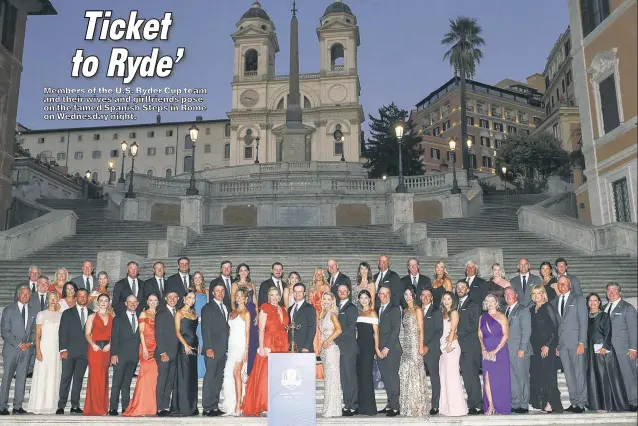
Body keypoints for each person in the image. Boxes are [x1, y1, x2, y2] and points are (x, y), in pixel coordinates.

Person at [242, 287, 289, 416]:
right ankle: (264, 404)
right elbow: (261, 330)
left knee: (279, 375)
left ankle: (277, 403)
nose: (274, 297)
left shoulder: (284, 309)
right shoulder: (264, 308)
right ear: (269, 297)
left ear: (280, 297)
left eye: (276, 295)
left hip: (282, 344)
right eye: (272, 295)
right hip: (269, 343)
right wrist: (261, 347)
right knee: (266, 374)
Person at [585, 292, 628, 412]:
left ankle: (605, 405)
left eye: (595, 300)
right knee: (593, 377)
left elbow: (609, 332)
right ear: (587, 303)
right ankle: (595, 404)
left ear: (599, 302)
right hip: (590, 351)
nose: (593, 303)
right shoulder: (585, 316)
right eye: (590, 301)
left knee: (603, 377)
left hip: (602, 350)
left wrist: (605, 347)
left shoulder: (604, 315)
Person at [553, 275, 588, 413]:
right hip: (562, 345)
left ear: (570, 285)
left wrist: (581, 342)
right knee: (568, 374)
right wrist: (557, 345)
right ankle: (574, 402)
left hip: (576, 342)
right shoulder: (555, 301)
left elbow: (583, 322)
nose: (562, 286)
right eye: (559, 284)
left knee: (579, 373)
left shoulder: (578, 299)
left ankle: (581, 403)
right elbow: (557, 325)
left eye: (564, 283)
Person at [123, 293, 160, 417]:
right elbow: (141, 332)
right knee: (144, 377)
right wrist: (144, 348)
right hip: (146, 348)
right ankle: (140, 407)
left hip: (157, 349)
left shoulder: (159, 314)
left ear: (158, 302)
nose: (153, 302)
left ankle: (150, 408)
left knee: (153, 379)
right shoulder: (144, 313)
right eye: (151, 300)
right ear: (147, 302)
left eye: (155, 300)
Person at [0, 286, 35, 415]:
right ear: (18, 295)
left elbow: (34, 331)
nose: (25, 296)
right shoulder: (9, 310)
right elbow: (4, 331)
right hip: (11, 349)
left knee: (21, 379)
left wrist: (30, 343)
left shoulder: (32, 311)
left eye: (27, 294)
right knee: (7, 378)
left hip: (26, 350)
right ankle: (2, 406)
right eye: (23, 293)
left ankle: (17, 406)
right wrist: (19, 343)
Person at [27, 291, 62, 414]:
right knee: (42, 375)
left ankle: (51, 405)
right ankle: (39, 404)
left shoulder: (61, 315)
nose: (52, 300)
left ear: (57, 299)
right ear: (47, 300)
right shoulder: (41, 314)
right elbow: (37, 334)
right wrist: (38, 351)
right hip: (44, 347)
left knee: (54, 375)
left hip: (56, 349)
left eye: (54, 298)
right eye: (50, 298)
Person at [603, 282, 637, 411]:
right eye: (609, 291)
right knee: (612, 377)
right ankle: (618, 401)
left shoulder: (628, 308)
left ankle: (633, 401)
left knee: (628, 375)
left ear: (620, 293)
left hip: (624, 349)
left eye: (614, 290)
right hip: (608, 350)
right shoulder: (605, 307)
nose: (611, 293)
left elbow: (633, 329)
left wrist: (633, 348)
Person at [57, 288, 92, 414]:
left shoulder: (92, 313)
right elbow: (62, 332)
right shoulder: (67, 313)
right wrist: (63, 349)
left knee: (78, 379)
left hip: (84, 353)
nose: (82, 298)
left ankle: (75, 405)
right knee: (66, 378)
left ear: (87, 298)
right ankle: (61, 405)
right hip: (69, 352)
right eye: (80, 296)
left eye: (85, 296)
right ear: (76, 298)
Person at [529, 285, 562, 413]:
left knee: (549, 376)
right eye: (535, 293)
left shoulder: (548, 307)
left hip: (547, 347)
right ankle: (542, 403)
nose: (537, 296)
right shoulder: (532, 309)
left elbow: (555, 328)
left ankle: (552, 403)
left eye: (539, 293)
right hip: (535, 348)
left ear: (544, 294)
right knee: (539, 376)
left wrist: (548, 345)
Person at [398, 286, 429, 416]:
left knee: (415, 374)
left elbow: (421, 330)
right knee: (406, 373)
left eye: (410, 294)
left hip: (415, 344)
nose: (408, 297)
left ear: (414, 296)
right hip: (406, 345)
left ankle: (417, 407)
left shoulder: (417, 310)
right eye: (406, 294)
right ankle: (408, 406)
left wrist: (420, 347)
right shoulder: (405, 310)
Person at [478, 294, 511, 415]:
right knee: (487, 378)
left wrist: (495, 351)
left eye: (492, 301)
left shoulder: (502, 316)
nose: (490, 303)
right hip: (486, 351)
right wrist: (483, 349)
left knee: (499, 380)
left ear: (496, 303)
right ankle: (490, 406)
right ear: (485, 303)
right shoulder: (482, 317)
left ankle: (500, 406)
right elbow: (480, 334)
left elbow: (506, 335)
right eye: (488, 301)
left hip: (500, 351)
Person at [201, 283, 230, 417]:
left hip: (223, 350)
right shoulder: (207, 308)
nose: (220, 293)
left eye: (222, 290)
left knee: (218, 379)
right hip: (212, 350)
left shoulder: (225, 307)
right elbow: (205, 329)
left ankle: (214, 405)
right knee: (210, 378)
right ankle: (207, 407)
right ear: (213, 293)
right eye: (217, 291)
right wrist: (208, 347)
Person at [109, 295, 140, 415]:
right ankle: (113, 407)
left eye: (134, 302)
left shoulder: (140, 317)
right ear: (126, 304)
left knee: (126, 383)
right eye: (130, 302)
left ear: (137, 304)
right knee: (117, 382)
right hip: (120, 355)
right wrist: (113, 354)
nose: (132, 304)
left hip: (134, 356)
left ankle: (126, 407)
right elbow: (114, 338)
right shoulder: (118, 319)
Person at [220, 288, 249, 416]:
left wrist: (246, 350)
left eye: (242, 296)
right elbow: (230, 332)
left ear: (246, 299)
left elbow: (247, 334)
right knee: (230, 376)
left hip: (241, 347)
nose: (239, 298)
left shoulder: (246, 313)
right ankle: (231, 404)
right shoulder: (232, 313)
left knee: (237, 373)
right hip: (231, 347)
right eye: (237, 295)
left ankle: (239, 405)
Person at [83, 293, 113, 416]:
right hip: (94, 350)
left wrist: (110, 345)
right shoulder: (92, 316)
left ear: (109, 302)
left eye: (106, 300)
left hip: (107, 350)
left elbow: (116, 333)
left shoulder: (113, 316)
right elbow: (87, 334)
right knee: (95, 379)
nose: (103, 302)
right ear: (97, 302)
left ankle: (102, 408)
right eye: (101, 300)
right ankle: (94, 408)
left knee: (104, 379)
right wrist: (93, 345)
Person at [456, 280, 483, 414]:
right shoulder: (457, 304)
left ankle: (478, 404)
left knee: (472, 375)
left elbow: (474, 324)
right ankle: (472, 403)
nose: (460, 289)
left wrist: (457, 332)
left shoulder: (473, 304)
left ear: (468, 290)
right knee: (466, 375)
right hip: (461, 346)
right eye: (458, 287)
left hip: (471, 345)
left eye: (463, 287)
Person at [503, 287, 532, 414]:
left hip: (520, 350)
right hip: (508, 350)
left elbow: (526, 331)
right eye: (506, 294)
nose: (508, 296)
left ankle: (524, 404)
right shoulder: (504, 310)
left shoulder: (523, 309)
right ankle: (515, 403)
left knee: (522, 377)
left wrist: (522, 348)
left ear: (516, 295)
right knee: (513, 378)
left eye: (511, 294)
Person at [171, 289, 199, 416]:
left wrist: (197, 344)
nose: (191, 300)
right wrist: (186, 345)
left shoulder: (194, 313)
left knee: (192, 378)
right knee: (184, 377)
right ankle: (183, 407)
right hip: (184, 348)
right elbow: (177, 332)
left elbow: (194, 331)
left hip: (193, 348)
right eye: (189, 297)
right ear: (184, 299)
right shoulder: (179, 313)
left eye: (193, 298)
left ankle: (192, 407)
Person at [439, 291, 466, 416]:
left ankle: (456, 409)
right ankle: (446, 408)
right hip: (443, 348)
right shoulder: (442, 313)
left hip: (452, 347)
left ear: (453, 300)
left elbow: (453, 329)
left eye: (449, 299)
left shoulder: (454, 312)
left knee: (452, 377)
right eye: (444, 299)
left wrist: (449, 344)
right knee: (444, 377)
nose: (446, 301)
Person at [376, 286, 402, 417]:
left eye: (387, 294)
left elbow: (395, 330)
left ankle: (396, 406)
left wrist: (387, 348)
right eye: (382, 294)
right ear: (378, 295)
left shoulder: (394, 309)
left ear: (390, 295)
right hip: (379, 349)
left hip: (391, 349)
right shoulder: (377, 309)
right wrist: (377, 349)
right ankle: (390, 403)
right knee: (386, 378)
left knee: (392, 377)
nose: (384, 296)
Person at [154, 291, 180, 417]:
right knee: (162, 380)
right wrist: (162, 352)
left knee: (170, 381)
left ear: (178, 299)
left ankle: (165, 405)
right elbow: (158, 334)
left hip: (175, 353)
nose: (172, 299)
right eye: (170, 297)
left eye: (175, 297)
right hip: (164, 353)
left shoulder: (178, 313)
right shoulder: (161, 313)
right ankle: (159, 407)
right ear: (165, 298)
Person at [335, 284, 358, 416]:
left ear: (348, 292)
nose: (342, 292)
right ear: (337, 292)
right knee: (344, 378)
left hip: (348, 347)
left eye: (345, 291)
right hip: (340, 348)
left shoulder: (351, 308)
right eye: (340, 291)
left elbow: (350, 329)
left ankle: (353, 405)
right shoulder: (337, 307)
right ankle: (347, 404)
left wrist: (335, 338)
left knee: (350, 377)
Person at [231, 263, 259, 375]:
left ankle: (251, 371)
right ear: (238, 272)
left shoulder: (252, 285)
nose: (243, 272)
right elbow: (233, 301)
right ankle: (241, 369)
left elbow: (255, 301)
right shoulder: (235, 284)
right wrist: (236, 314)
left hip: (251, 312)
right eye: (241, 270)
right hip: (241, 312)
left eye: (245, 270)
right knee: (242, 338)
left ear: (248, 272)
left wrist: (257, 315)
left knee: (253, 340)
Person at [319, 292, 343, 417]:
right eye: (325, 299)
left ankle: (333, 410)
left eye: (329, 299)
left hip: (331, 349)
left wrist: (328, 340)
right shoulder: (322, 314)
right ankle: (329, 409)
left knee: (332, 379)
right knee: (328, 379)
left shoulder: (332, 314)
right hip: (324, 350)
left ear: (332, 301)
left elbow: (339, 329)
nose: (326, 301)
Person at [355, 290, 378, 416]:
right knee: (360, 376)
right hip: (359, 347)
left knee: (367, 376)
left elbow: (376, 333)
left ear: (370, 299)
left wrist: (376, 349)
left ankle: (370, 408)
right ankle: (362, 406)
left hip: (368, 348)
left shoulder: (372, 313)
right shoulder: (360, 313)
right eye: (361, 298)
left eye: (366, 298)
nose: (364, 300)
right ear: (359, 300)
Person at [421, 288, 443, 415]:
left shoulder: (435, 311)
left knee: (434, 378)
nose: (425, 297)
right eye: (423, 295)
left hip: (431, 350)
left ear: (431, 298)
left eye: (428, 295)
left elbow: (438, 331)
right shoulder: (417, 310)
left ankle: (435, 405)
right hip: (417, 349)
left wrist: (427, 347)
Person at [192, 272, 208, 379]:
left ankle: (203, 372)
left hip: (205, 323)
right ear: (193, 280)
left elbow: (210, 307)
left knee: (203, 346)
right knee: (196, 347)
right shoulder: (190, 292)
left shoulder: (206, 292)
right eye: (195, 278)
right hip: (194, 323)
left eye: (199, 277)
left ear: (202, 279)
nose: (197, 279)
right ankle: (196, 372)